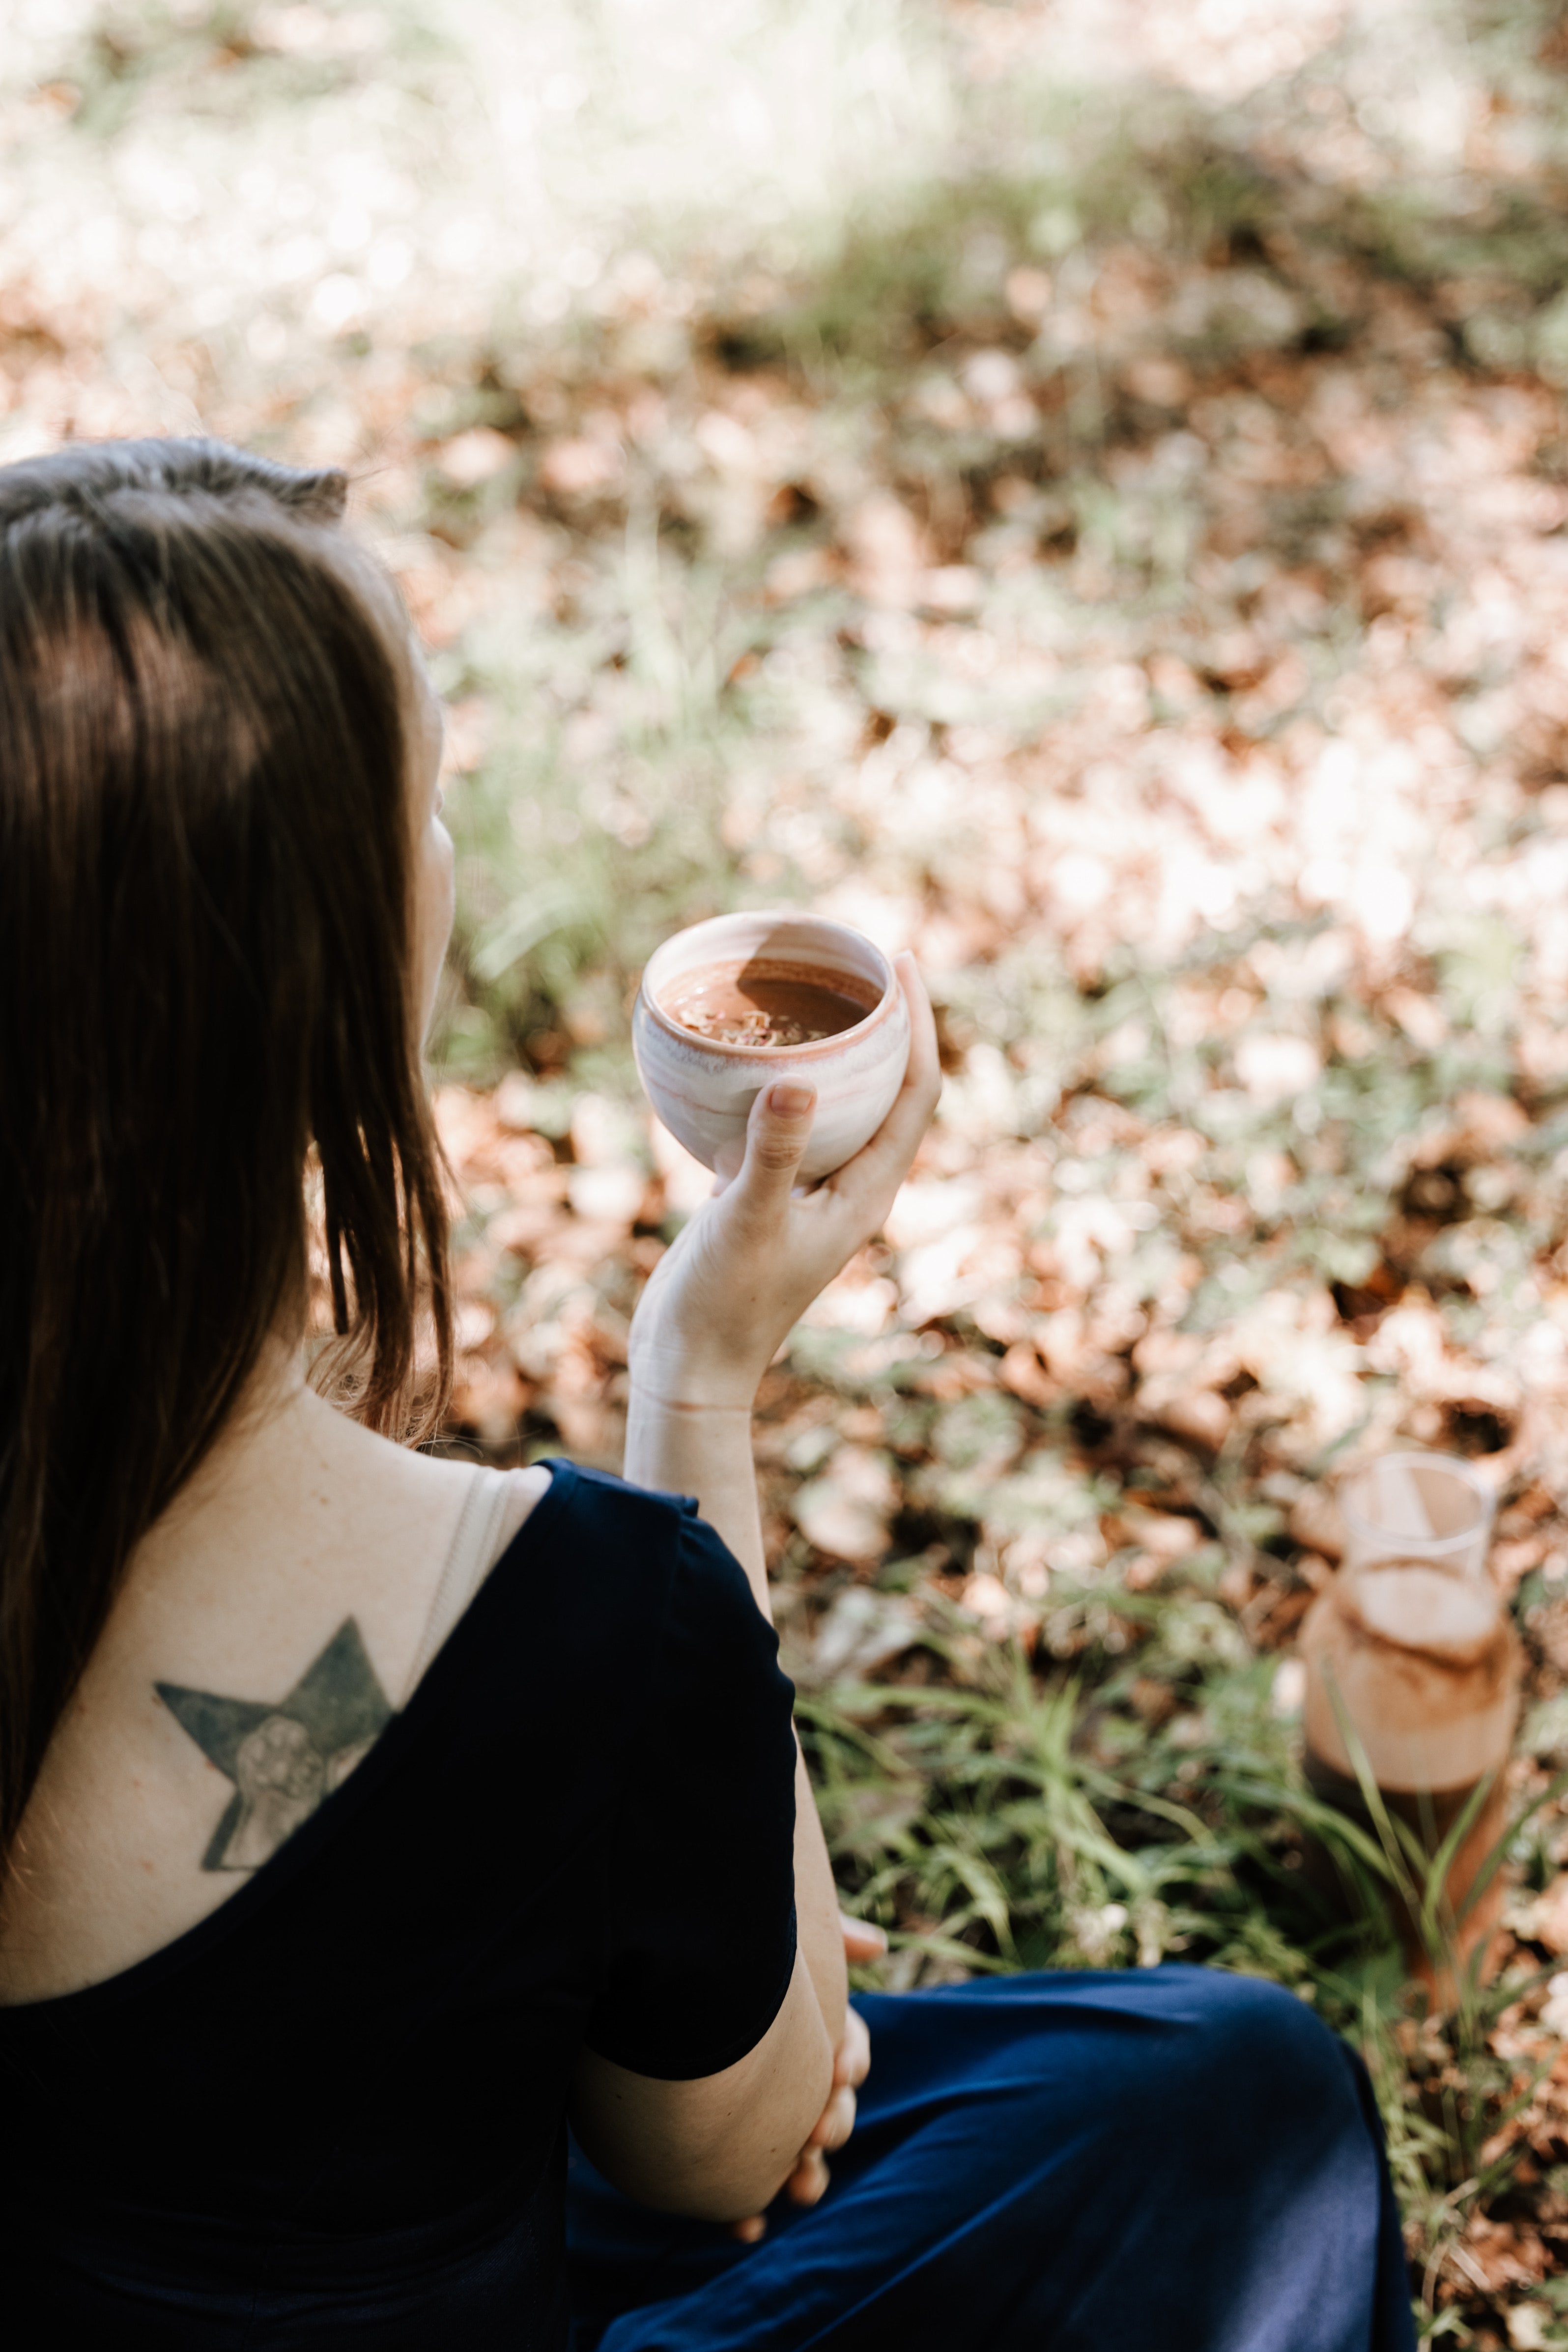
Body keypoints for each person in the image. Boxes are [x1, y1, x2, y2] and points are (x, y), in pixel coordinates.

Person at [0, 439, 1414, 2351]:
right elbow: (733, 2156)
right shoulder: (563, 1618)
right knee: (1236, 2104)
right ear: (318, 968)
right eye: (429, 791)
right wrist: (701, 1386)